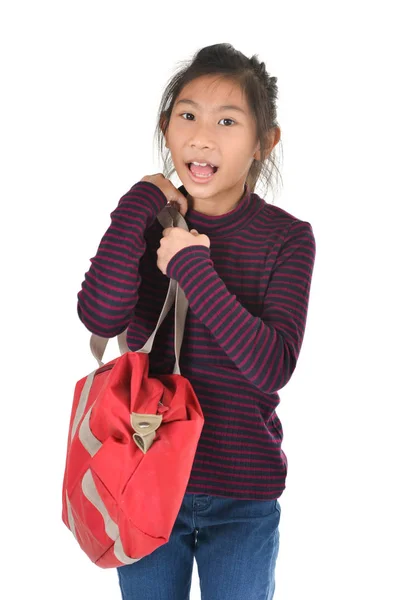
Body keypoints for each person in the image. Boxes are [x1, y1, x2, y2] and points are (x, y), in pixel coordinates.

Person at [77, 43, 316, 600]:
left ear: (264, 142)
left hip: (244, 495)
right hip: (142, 479)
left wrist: (190, 265)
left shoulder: (288, 237)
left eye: (227, 121)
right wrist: (139, 204)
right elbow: (99, 315)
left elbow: (271, 366)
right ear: (166, 128)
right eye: (187, 115)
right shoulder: (146, 219)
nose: (202, 136)